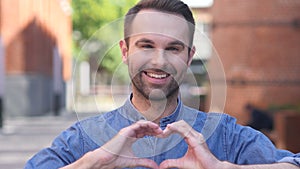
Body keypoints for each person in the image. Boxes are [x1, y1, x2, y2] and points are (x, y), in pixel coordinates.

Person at [25, 0, 300, 168]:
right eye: (146, 45)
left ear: (189, 56)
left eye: (173, 48)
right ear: (124, 51)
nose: (159, 61)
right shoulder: (85, 139)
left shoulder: (225, 137)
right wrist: (94, 162)